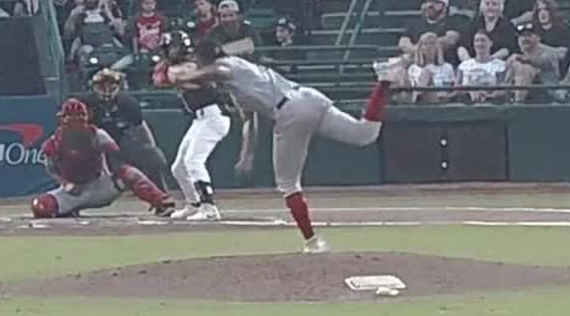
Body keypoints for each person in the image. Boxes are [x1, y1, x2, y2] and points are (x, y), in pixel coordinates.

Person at [162, 38, 402, 253]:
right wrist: (247, 154)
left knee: (288, 184)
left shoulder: (226, 66)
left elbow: (209, 73)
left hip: (290, 112)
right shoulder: (241, 77)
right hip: (309, 97)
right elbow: (250, 120)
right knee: (364, 134)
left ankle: (313, 242)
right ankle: (383, 81)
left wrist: (174, 74)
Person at [29, 98, 177, 219]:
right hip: (73, 192)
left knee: (130, 173)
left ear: (87, 116)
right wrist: (66, 183)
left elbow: (116, 158)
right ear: (62, 118)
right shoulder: (52, 143)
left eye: (80, 115)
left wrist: (111, 175)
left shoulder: (98, 135)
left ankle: (162, 203)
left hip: (102, 185)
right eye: (71, 116)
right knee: (40, 206)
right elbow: (51, 168)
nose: (76, 119)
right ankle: (68, 210)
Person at [154, 31, 247, 221]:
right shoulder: (191, 64)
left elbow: (166, 78)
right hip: (200, 119)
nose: (169, 52)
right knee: (178, 168)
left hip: (214, 118)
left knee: (193, 162)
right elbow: (160, 78)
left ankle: (209, 207)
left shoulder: (190, 66)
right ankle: (193, 204)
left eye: (171, 48)